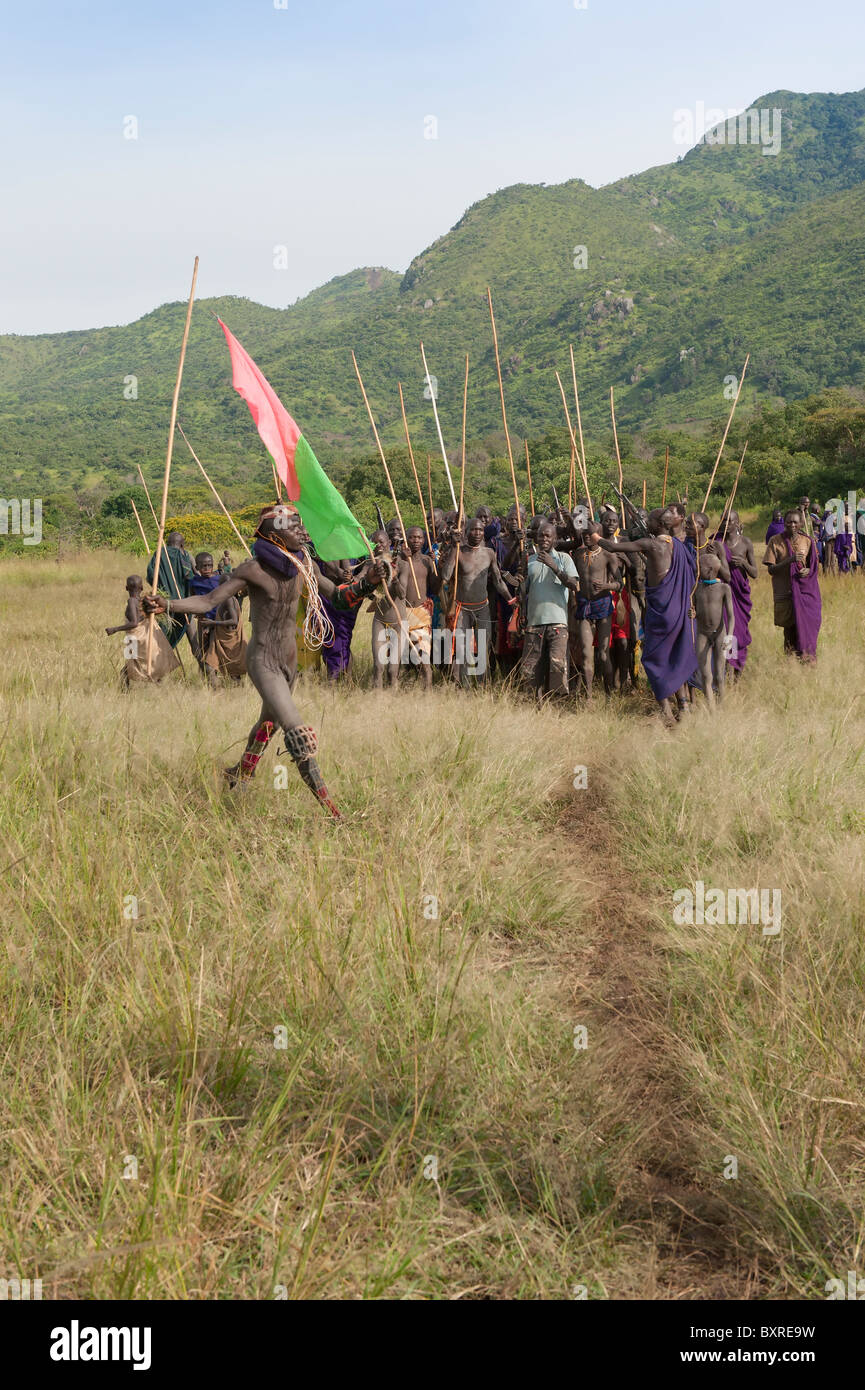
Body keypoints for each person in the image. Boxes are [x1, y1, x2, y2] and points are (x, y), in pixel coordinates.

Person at [143, 503, 386, 817]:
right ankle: (333, 812)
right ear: (274, 532)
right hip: (264, 661)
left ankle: (239, 774)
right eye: (294, 525)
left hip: (290, 663)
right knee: (298, 733)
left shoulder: (304, 564)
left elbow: (340, 597)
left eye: (302, 524)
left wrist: (370, 581)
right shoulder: (252, 570)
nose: (302, 530)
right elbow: (206, 602)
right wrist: (168, 604)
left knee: (268, 724)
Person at [592, 506, 696, 724]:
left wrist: (595, 537)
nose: (645, 522)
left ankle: (666, 711)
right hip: (679, 611)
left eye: (649, 520)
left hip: (661, 613)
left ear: (658, 524)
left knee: (653, 659)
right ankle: (684, 707)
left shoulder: (651, 544)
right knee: (674, 658)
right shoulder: (678, 546)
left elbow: (612, 546)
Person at [438, 515, 517, 685]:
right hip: (462, 608)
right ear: (466, 532)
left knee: (483, 646)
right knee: (463, 647)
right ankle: (464, 685)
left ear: (484, 532)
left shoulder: (489, 553)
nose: (477, 532)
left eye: (480, 529)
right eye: (473, 529)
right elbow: (445, 576)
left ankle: (481, 684)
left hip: (482, 608)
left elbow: (497, 581)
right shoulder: (458, 551)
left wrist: (511, 600)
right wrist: (453, 547)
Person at [519, 519, 578, 698]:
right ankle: (534, 703)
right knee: (531, 667)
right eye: (541, 535)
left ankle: (557, 703)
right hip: (534, 622)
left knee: (557, 665)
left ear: (555, 539)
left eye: (548, 536)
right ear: (536, 538)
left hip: (558, 622)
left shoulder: (564, 558)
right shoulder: (530, 560)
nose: (544, 538)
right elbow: (524, 589)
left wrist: (554, 567)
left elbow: (574, 584)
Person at [570, 511, 623, 700]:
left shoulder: (609, 555)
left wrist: (607, 586)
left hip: (603, 605)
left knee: (602, 653)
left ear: (598, 535)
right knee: (586, 653)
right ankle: (589, 697)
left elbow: (620, 584)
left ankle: (609, 694)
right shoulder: (578, 554)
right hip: (584, 605)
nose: (586, 537)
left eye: (590, 535)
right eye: (584, 535)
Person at [688, 513, 734, 709]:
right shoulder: (696, 588)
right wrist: (692, 612)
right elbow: (692, 606)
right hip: (702, 632)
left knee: (719, 672)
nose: (702, 569)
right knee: (705, 673)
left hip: (720, 632)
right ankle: (711, 709)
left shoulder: (724, 587)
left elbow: (730, 615)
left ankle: (722, 705)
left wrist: (729, 637)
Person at [763, 508, 821, 662]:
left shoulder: (807, 540)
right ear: (784, 523)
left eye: (795, 522)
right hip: (785, 591)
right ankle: (790, 663)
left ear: (801, 523)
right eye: (789, 522)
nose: (792, 525)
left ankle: (806, 658)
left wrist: (807, 571)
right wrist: (789, 560)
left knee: (806, 626)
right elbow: (771, 569)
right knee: (789, 629)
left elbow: (813, 567)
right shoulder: (775, 541)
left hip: (804, 592)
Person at [106, 575, 179, 686]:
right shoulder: (144, 600)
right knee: (144, 665)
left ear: (126, 588)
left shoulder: (132, 601)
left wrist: (115, 629)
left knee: (128, 669)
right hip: (146, 636)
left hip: (137, 637)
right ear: (141, 588)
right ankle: (158, 688)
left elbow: (134, 623)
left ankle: (124, 694)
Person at [714, 511, 757, 679]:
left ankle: (737, 671)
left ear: (737, 522)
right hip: (722, 593)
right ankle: (725, 668)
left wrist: (744, 563)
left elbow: (755, 573)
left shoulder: (745, 543)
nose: (726, 523)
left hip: (739, 595)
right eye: (723, 520)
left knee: (738, 633)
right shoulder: (716, 541)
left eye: (730, 521)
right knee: (725, 631)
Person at [397, 526, 440, 688]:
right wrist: (401, 559)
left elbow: (435, 588)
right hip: (401, 612)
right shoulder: (399, 561)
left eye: (419, 537)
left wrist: (438, 567)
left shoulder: (427, 561)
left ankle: (427, 693)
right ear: (406, 539)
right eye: (412, 537)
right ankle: (397, 691)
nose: (416, 541)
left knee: (423, 658)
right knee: (399, 657)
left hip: (421, 613)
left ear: (424, 540)